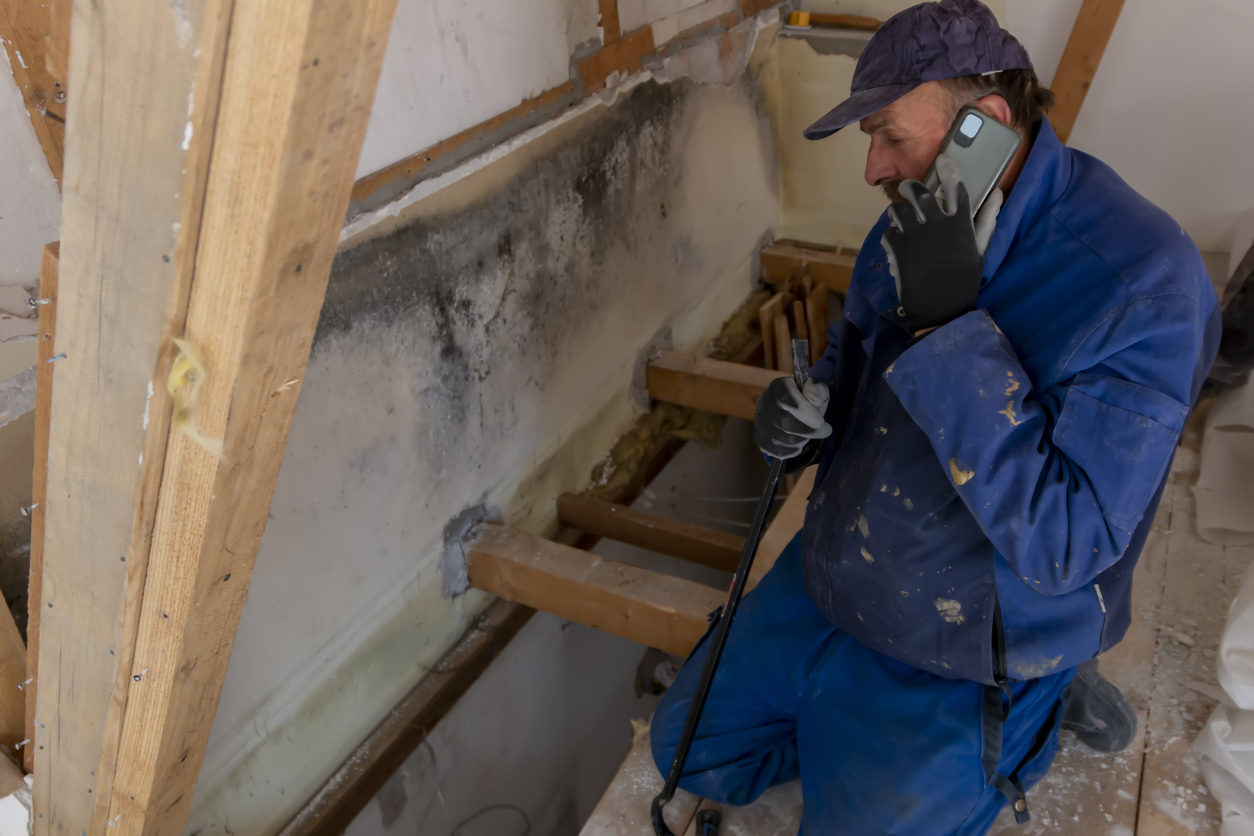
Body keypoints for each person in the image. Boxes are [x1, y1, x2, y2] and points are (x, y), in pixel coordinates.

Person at [649, 0, 1221, 832]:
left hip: (971, 634)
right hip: (843, 566)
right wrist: (810, 412)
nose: (875, 170)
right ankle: (854, 728)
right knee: (690, 752)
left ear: (982, 123)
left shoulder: (1142, 286)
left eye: (891, 136)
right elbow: (857, 356)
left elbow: (1066, 542)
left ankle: (1041, 700)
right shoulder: (917, 222)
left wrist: (954, 331)